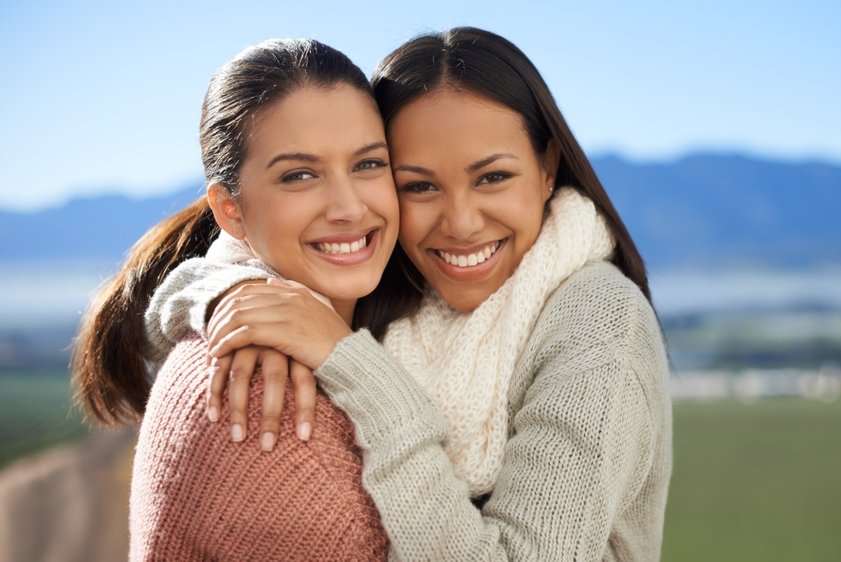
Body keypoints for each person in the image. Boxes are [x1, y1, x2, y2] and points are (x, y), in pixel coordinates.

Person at [148, 27, 672, 561]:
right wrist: (234, 293)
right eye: (418, 185)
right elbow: (223, 261)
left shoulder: (599, 322)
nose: (462, 224)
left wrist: (351, 362)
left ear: (547, 168)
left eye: (492, 177)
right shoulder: (397, 273)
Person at [71, 38, 409, 561]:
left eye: (368, 164)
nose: (349, 207)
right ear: (230, 210)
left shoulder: (378, 325)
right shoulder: (261, 404)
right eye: (300, 175)